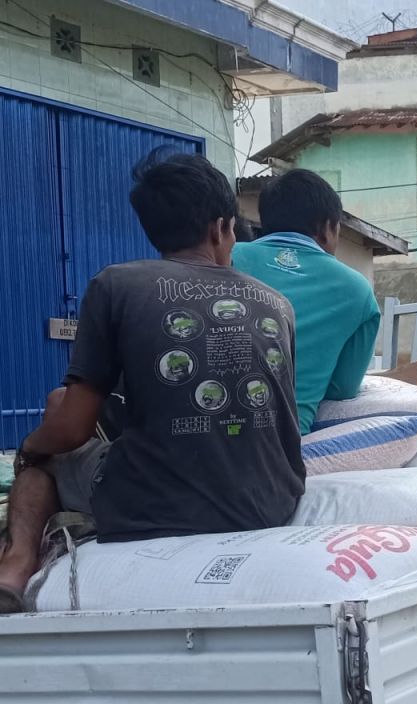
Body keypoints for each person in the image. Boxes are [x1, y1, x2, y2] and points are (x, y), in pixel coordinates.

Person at [0, 152, 304, 613]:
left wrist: (30, 447)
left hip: (155, 504)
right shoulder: (277, 304)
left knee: (49, 449)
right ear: (222, 227)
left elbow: (72, 429)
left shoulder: (116, 285)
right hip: (270, 501)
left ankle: (16, 566)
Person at [233, 170, 380, 434]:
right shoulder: (357, 289)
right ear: (329, 228)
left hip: (201, 435)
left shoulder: (226, 257)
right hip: (282, 446)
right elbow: (342, 388)